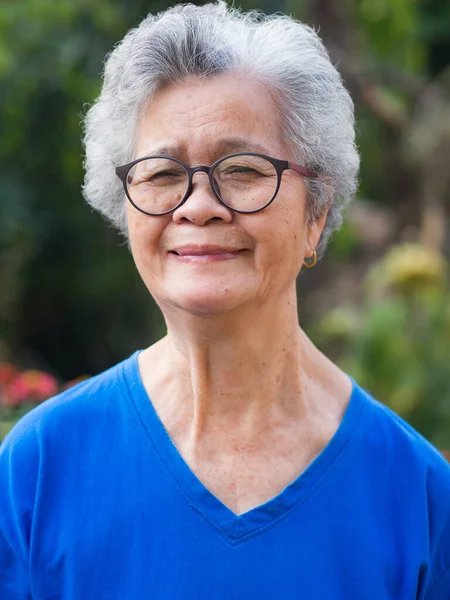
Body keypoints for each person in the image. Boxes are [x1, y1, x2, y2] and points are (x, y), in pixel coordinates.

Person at [1, 2, 449, 598]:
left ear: (316, 213)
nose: (197, 204)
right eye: (161, 173)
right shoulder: (37, 469)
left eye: (241, 169)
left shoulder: (417, 496)